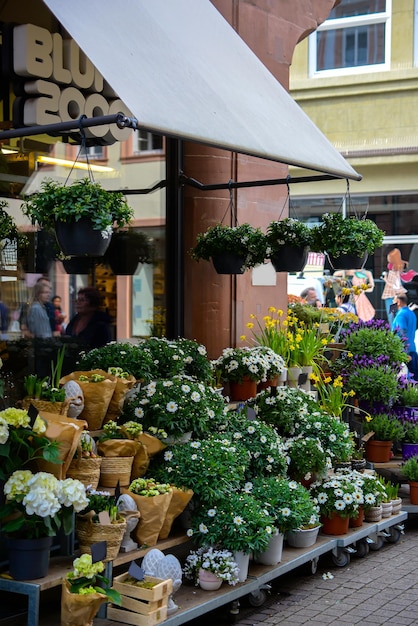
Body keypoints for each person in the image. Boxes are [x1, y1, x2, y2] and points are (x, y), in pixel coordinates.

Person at [391, 293, 418, 380]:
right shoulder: (412, 314)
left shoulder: (401, 315)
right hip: (412, 350)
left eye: (393, 300)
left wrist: (405, 353)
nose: (392, 303)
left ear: (398, 302)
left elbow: (403, 332)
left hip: (404, 353)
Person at [382, 248, 408, 326]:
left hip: (391, 296)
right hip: (392, 295)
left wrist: (386, 279)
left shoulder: (394, 272)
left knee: (392, 315)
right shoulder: (395, 271)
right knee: (394, 315)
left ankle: (395, 332)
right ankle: (396, 332)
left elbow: (394, 285)